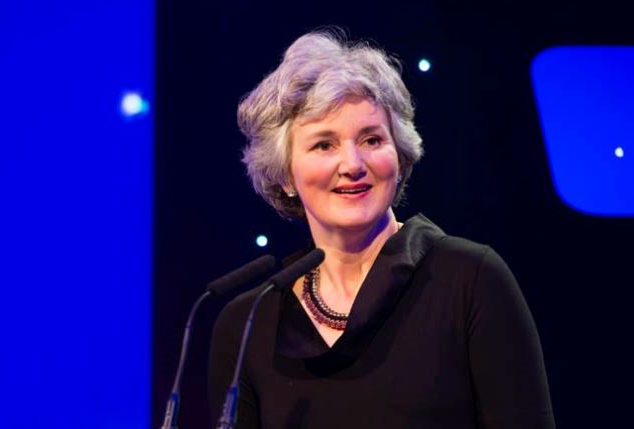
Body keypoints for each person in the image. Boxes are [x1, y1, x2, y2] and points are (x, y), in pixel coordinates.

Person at [208, 30, 555, 429]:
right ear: (285, 174)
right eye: (324, 145)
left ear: (400, 156)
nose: (353, 164)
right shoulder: (247, 324)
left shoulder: (471, 280)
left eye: (371, 139)